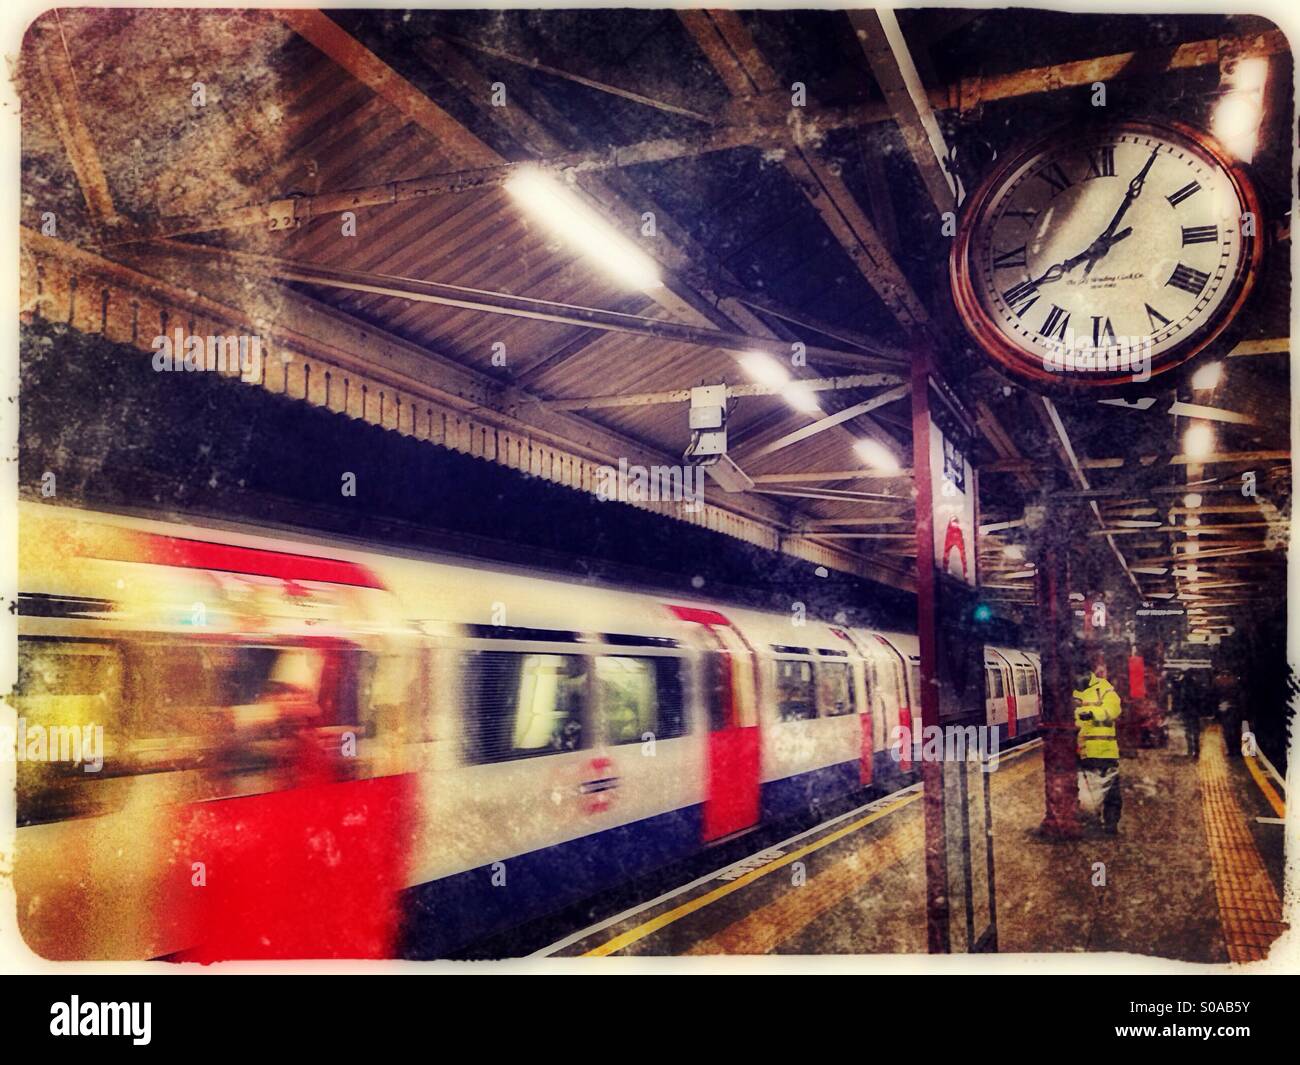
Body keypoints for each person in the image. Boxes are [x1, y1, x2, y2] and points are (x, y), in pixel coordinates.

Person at [1073, 654, 1123, 834]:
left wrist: (1089, 712)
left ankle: (1111, 824)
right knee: (1085, 791)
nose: (1078, 677)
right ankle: (1091, 821)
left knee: (1111, 793)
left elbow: (1113, 710)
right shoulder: (1071, 692)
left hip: (1105, 752)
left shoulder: (1104, 688)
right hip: (1081, 752)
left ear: (1089, 672)